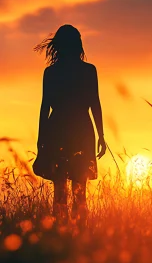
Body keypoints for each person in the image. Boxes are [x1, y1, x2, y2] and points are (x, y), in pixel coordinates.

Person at [34, 24, 106, 225]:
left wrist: (41, 141)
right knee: (79, 188)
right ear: (77, 44)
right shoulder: (88, 71)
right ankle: (80, 230)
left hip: (57, 128)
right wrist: (101, 135)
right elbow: (95, 104)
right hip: (82, 129)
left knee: (60, 189)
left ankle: (61, 230)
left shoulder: (51, 72)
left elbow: (44, 108)